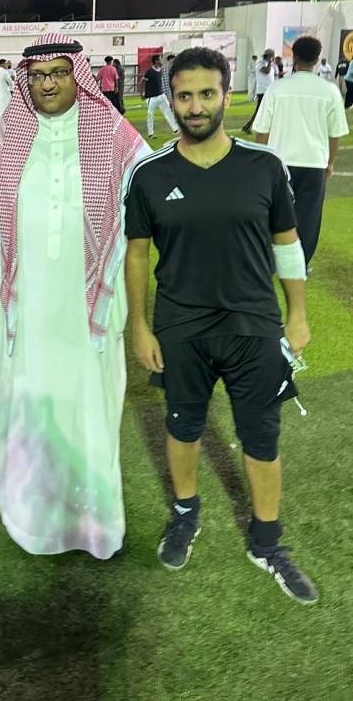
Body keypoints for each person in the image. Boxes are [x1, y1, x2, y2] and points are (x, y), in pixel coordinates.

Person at [124, 46, 318, 605]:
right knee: (183, 427)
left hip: (254, 326)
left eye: (206, 94)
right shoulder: (150, 174)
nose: (195, 106)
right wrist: (140, 325)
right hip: (181, 327)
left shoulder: (264, 167)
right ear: (171, 100)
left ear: (226, 97)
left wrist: (297, 313)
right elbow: (136, 254)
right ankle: (186, 513)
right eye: (184, 95)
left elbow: (287, 243)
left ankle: (267, 540)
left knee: (261, 436)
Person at [0, 33, 148, 559]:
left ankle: (94, 527)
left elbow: (153, 193)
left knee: (88, 409)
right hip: (28, 311)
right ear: (27, 80)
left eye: (60, 73)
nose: (48, 84)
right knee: (30, 407)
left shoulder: (114, 135)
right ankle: (32, 522)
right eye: (39, 75)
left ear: (77, 76)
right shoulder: (9, 134)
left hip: (88, 313)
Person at [253, 35, 348, 270]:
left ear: (293, 57)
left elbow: (262, 130)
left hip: (279, 162)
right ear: (317, 59)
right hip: (314, 162)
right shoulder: (329, 91)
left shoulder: (278, 88)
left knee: (275, 212)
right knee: (308, 217)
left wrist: (260, 161)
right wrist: (330, 162)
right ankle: (299, 265)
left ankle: (270, 262)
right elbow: (335, 133)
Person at [141, 54, 178, 139]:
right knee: (150, 115)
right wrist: (142, 93)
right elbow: (142, 81)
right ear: (156, 61)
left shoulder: (161, 70)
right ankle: (151, 133)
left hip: (161, 95)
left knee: (168, 112)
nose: (162, 61)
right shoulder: (149, 72)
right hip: (152, 97)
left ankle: (175, 129)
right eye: (160, 59)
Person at [243, 49, 275, 132]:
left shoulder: (267, 63)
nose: (273, 57)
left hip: (268, 90)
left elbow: (269, 76)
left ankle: (248, 126)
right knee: (259, 111)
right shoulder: (260, 63)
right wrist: (270, 63)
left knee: (265, 110)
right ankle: (248, 126)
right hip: (263, 90)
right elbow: (266, 71)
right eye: (272, 55)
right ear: (269, 56)